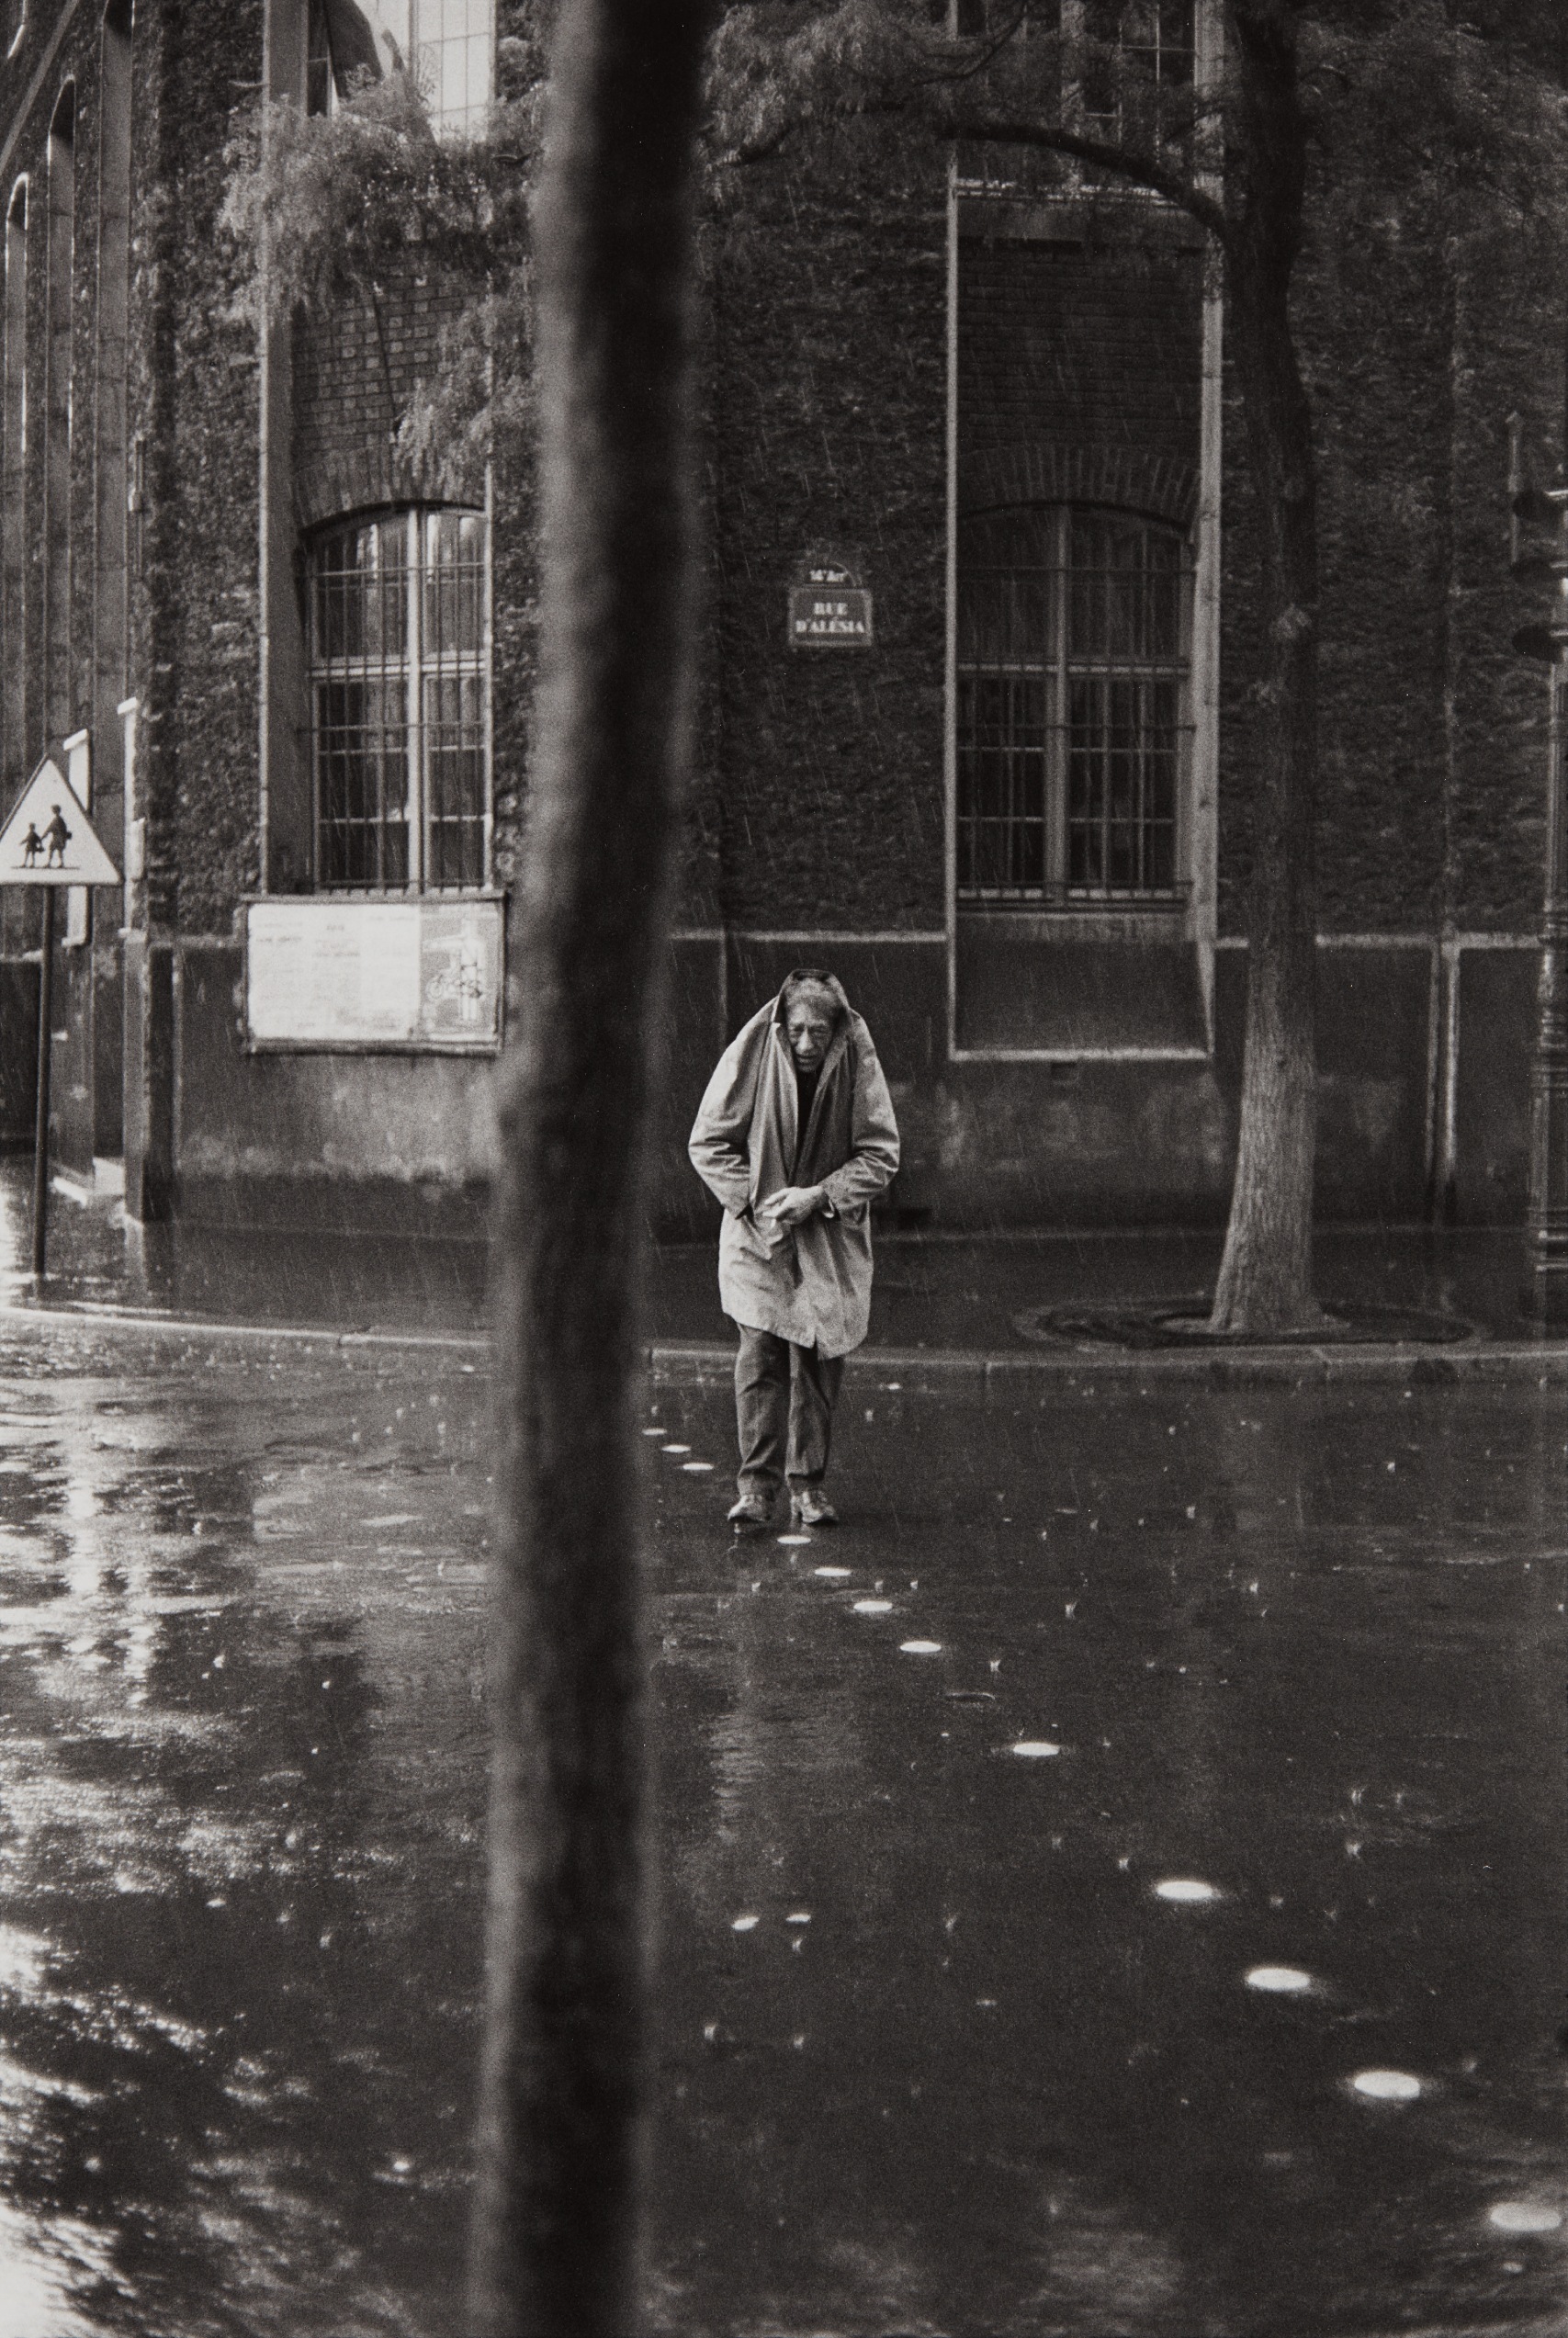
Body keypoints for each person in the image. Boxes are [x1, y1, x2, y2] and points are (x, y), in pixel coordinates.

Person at [688, 967, 900, 1531]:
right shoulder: (752, 1051)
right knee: (760, 1357)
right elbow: (708, 1143)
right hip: (759, 1236)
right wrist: (756, 1203)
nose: (806, 1045)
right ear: (782, 1026)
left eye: (819, 1034)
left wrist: (821, 1196)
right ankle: (756, 1489)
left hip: (828, 1236)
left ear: (837, 1031)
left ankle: (808, 1487)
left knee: (818, 1362)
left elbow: (880, 1155)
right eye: (797, 1032)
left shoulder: (858, 1057)